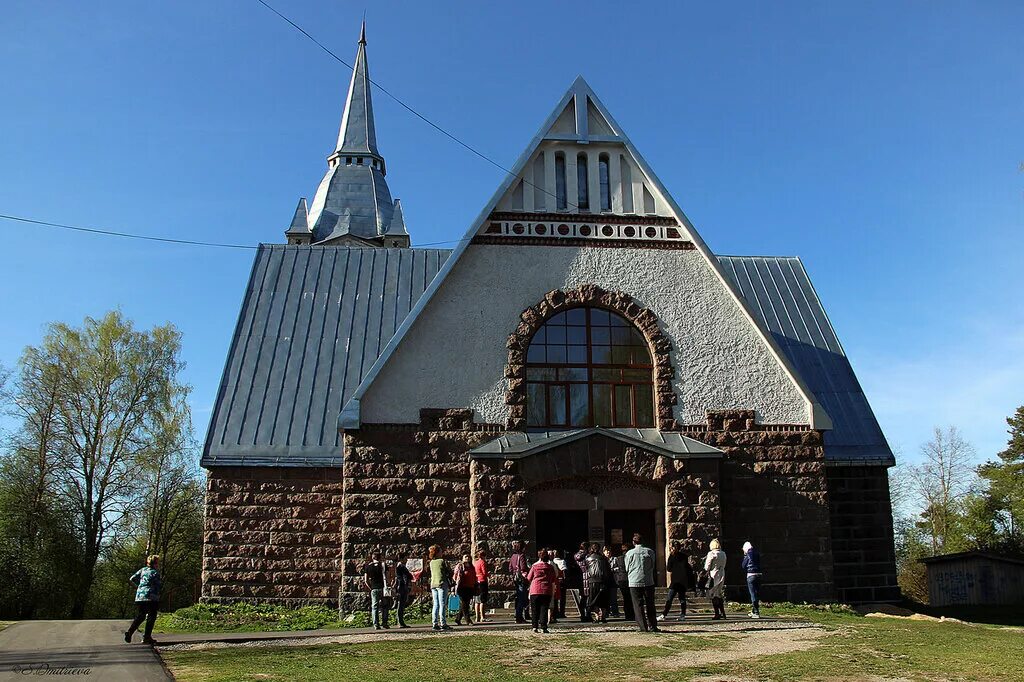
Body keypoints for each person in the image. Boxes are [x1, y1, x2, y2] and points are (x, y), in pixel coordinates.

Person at [124, 555, 162, 645]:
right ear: (155, 563)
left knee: (141, 615)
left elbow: (131, 579)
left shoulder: (142, 570)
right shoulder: (155, 573)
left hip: (140, 596)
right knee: (151, 617)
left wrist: (139, 587)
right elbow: (158, 586)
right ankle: (146, 637)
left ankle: (130, 632)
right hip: (151, 596)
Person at [625, 533, 659, 632]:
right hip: (648, 580)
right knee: (650, 604)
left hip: (634, 581)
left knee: (637, 604)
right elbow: (653, 565)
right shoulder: (650, 552)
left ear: (633, 542)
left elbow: (627, 567)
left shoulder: (629, 553)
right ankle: (653, 625)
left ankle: (643, 627)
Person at [525, 549, 556, 633]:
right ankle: (544, 626)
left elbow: (529, 578)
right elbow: (553, 579)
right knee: (544, 609)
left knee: (534, 609)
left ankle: (535, 626)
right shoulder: (550, 567)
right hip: (546, 590)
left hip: (535, 589)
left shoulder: (534, 566)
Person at [427, 545, 453, 631]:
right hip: (442, 583)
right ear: (438, 552)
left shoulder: (431, 562)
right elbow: (448, 572)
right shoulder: (442, 561)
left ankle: (434, 623)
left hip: (433, 584)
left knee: (436, 604)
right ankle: (443, 623)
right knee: (442, 604)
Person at [363, 550, 388, 630]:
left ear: (372, 558)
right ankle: (384, 623)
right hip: (383, 588)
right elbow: (387, 577)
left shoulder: (368, 566)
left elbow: (366, 580)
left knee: (374, 607)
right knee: (385, 606)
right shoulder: (383, 565)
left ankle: (376, 624)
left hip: (374, 588)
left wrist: (371, 587)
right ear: (380, 557)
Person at [586, 543, 611, 623]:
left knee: (594, 599)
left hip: (593, 581)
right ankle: (603, 617)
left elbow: (587, 569)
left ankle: (597, 617)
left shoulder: (588, 558)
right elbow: (608, 570)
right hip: (603, 580)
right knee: (603, 599)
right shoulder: (603, 558)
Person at [704, 538, 728, 620]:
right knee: (719, 594)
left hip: (713, 575)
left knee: (713, 595)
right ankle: (722, 612)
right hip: (722, 574)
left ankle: (717, 613)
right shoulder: (723, 553)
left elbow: (707, 566)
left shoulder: (711, 554)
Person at [508, 541, 531, 624]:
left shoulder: (513, 556)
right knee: (522, 597)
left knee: (519, 596)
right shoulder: (521, 556)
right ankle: (519, 616)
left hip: (515, 578)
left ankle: (518, 616)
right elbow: (523, 567)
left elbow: (510, 568)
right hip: (521, 578)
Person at [453, 553, 478, 625]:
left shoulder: (471, 566)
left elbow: (474, 576)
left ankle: (458, 619)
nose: (467, 558)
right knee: (464, 604)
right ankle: (468, 620)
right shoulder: (460, 566)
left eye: (468, 557)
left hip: (470, 587)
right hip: (462, 587)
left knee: (465, 604)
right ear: (462, 558)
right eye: (465, 557)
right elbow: (455, 576)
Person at [610, 544, 634, 621]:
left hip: (621, 579)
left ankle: (627, 614)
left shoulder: (618, 558)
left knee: (626, 597)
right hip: (630, 578)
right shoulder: (631, 557)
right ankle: (631, 614)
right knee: (630, 597)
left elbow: (614, 569)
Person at [741, 541, 762, 619]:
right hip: (759, 574)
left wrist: (744, 556)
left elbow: (743, 565)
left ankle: (756, 612)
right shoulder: (757, 553)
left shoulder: (748, 555)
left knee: (752, 594)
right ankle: (753, 610)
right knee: (757, 593)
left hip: (751, 575)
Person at [574, 542, 592, 622]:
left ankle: (583, 614)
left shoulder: (577, 555)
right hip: (587, 577)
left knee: (583, 597)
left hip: (581, 578)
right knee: (587, 597)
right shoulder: (587, 556)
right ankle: (587, 614)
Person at [395, 551, 413, 628]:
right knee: (401, 604)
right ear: (402, 559)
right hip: (402, 587)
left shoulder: (400, 567)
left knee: (401, 604)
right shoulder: (401, 567)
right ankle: (400, 621)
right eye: (405, 558)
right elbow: (407, 576)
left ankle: (400, 620)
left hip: (402, 586)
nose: (407, 560)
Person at [473, 548, 490, 624]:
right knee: (483, 600)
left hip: (476, 581)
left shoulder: (475, 562)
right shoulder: (482, 562)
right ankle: (483, 617)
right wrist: (488, 574)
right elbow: (484, 572)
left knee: (477, 601)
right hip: (482, 581)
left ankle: (477, 617)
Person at [545, 550, 562, 624]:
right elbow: (556, 573)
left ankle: (550, 617)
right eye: (550, 554)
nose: (551, 555)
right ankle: (550, 617)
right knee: (551, 601)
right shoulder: (550, 563)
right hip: (551, 584)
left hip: (550, 584)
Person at [552, 549, 568, 619]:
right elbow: (564, 571)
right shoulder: (562, 561)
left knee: (555, 597)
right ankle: (562, 612)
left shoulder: (551, 562)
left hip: (554, 580)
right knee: (562, 597)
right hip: (561, 580)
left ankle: (555, 611)